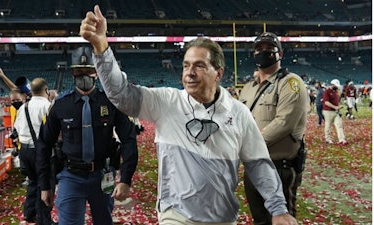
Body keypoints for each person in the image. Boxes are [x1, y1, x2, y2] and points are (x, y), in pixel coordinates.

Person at [80, 5, 297, 225]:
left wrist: (278, 208)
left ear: (218, 73)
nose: (189, 73)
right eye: (186, 66)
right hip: (175, 215)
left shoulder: (238, 113)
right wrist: (101, 47)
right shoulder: (167, 102)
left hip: (222, 218)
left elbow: (259, 164)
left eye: (199, 66)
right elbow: (121, 94)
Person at [36, 46, 138, 225]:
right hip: (70, 176)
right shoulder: (60, 106)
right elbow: (44, 144)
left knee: (104, 221)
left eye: (89, 71)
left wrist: (126, 178)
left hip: (103, 175)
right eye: (79, 71)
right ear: (72, 73)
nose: (84, 75)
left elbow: (129, 139)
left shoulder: (111, 103)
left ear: (97, 73)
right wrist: (45, 185)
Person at [238, 32, 309, 224]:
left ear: (280, 53)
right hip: (253, 166)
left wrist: (249, 144)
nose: (264, 52)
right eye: (259, 49)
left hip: (279, 166)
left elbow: (283, 123)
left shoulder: (290, 83)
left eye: (269, 48)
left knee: (281, 220)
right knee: (260, 220)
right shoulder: (249, 87)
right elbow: (239, 120)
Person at [14, 78, 56, 225]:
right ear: (46, 90)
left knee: (33, 181)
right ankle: (44, 220)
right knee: (45, 184)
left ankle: (29, 213)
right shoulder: (48, 106)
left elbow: (17, 128)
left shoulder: (23, 107)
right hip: (40, 151)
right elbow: (53, 132)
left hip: (24, 150)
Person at [322, 79, 348, 145]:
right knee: (328, 125)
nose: (337, 87)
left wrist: (338, 106)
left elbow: (336, 101)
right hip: (328, 111)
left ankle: (342, 139)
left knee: (339, 125)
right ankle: (328, 139)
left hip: (336, 111)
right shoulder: (327, 92)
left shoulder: (335, 92)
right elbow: (326, 102)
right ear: (332, 84)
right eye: (336, 85)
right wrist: (335, 107)